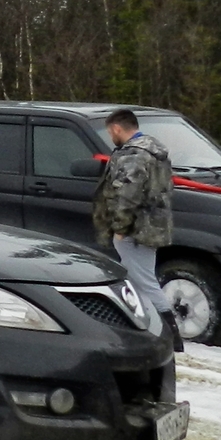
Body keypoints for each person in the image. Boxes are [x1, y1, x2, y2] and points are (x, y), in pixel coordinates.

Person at [91, 108, 180, 342]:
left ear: (117, 128)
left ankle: (168, 336)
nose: (112, 137)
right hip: (152, 225)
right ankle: (147, 328)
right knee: (139, 278)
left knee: (144, 281)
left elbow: (128, 193)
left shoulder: (133, 154)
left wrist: (120, 227)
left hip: (136, 229)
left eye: (111, 132)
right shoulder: (155, 149)